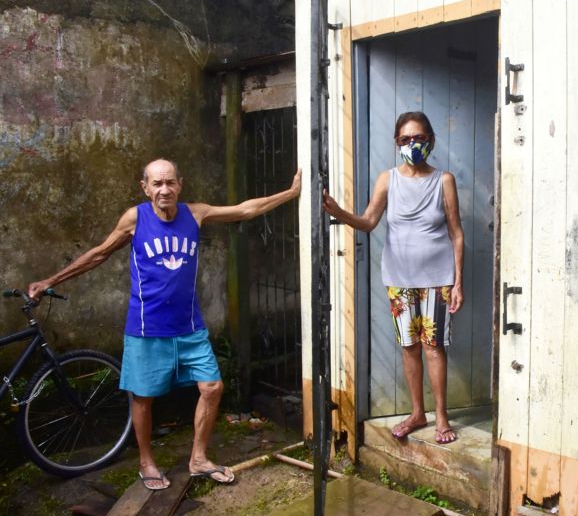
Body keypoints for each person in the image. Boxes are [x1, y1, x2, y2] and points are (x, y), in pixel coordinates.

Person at [28, 158, 301, 490]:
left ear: (180, 184)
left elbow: (244, 210)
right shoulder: (135, 218)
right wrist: (51, 279)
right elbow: (100, 253)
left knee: (212, 387)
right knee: (143, 397)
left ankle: (198, 459)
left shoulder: (195, 213)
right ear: (145, 188)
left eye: (170, 182)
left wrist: (290, 193)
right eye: (157, 184)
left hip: (189, 326)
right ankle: (146, 462)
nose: (164, 190)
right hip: (146, 328)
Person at [322, 111, 464, 444]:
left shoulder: (444, 181)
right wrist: (339, 213)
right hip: (399, 279)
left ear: (431, 140)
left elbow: (457, 233)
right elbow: (370, 221)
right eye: (405, 140)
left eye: (419, 138)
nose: (412, 145)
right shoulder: (388, 179)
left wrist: (458, 282)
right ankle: (417, 413)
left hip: (437, 279)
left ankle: (441, 417)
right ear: (396, 143)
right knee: (409, 347)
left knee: (433, 347)